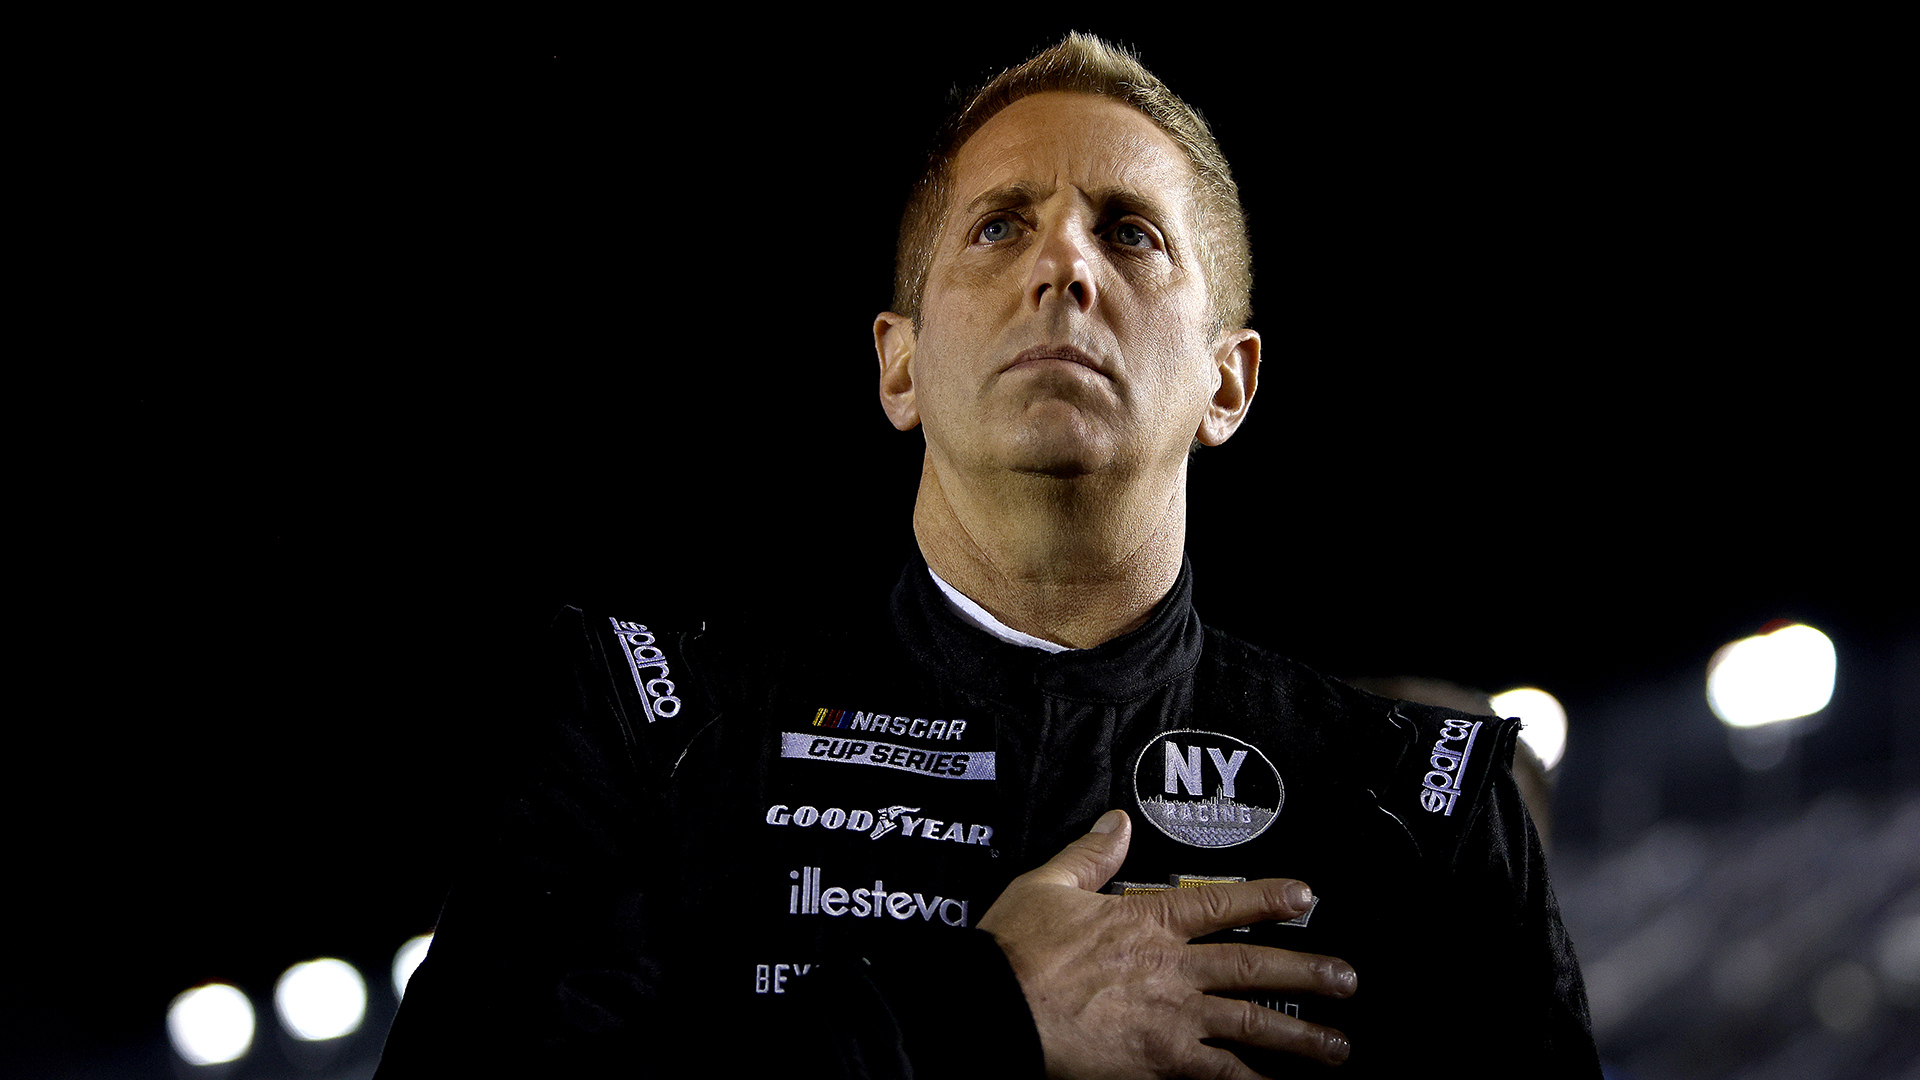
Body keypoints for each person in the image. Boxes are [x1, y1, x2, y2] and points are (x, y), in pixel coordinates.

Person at [376, 34, 1599, 1078]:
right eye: (1001, 225)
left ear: (1228, 382)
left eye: (1130, 233)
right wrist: (982, 1010)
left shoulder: (1426, 808)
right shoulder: (647, 726)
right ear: (898, 366)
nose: (1063, 266)